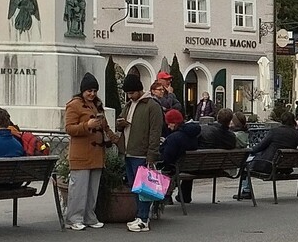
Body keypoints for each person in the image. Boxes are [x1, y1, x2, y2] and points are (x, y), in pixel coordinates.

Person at [63, 73, 116, 231]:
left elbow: (105, 127)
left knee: (92, 190)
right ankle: (74, 218)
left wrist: (113, 137)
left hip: (97, 154)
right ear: (82, 91)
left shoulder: (97, 104)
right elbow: (69, 128)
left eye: (94, 90)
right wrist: (88, 125)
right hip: (81, 154)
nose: (92, 94)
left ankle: (89, 216)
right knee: (78, 189)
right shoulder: (74, 105)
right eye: (89, 91)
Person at [117, 72, 163, 232]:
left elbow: (155, 132)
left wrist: (152, 155)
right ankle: (139, 215)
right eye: (128, 94)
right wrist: (120, 124)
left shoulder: (152, 106)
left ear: (139, 90)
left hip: (141, 153)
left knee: (144, 188)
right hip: (129, 151)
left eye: (132, 93)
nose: (130, 96)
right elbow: (120, 123)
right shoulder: (129, 105)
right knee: (135, 187)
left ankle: (144, 218)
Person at [237, 112, 298, 200]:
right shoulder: (297, 135)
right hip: (285, 168)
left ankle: (246, 191)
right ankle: (246, 190)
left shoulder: (274, 132)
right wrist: (297, 129)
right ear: (293, 121)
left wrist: (250, 151)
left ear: (281, 121)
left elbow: (260, 146)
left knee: (246, 163)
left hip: (269, 165)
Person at [160, 108, 202, 204]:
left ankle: (167, 197)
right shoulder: (193, 136)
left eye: (169, 123)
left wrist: (163, 146)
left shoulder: (174, 138)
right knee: (187, 165)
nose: (168, 126)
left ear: (174, 123)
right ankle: (185, 195)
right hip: (192, 166)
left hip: (177, 168)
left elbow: (167, 157)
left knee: (166, 168)